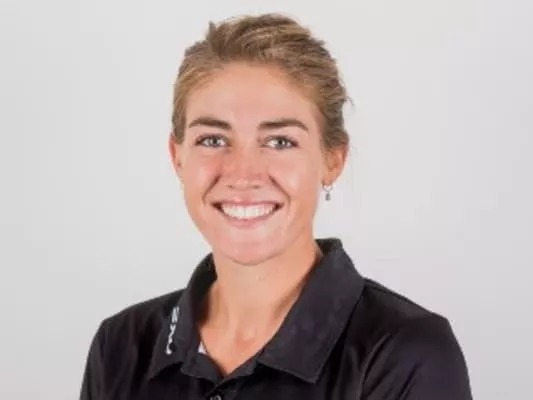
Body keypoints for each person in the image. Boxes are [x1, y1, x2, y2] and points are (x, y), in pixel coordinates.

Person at [80, 13, 472, 400]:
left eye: (280, 142)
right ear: (177, 156)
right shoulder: (120, 346)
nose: (242, 174)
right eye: (213, 140)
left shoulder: (404, 355)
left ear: (333, 159)